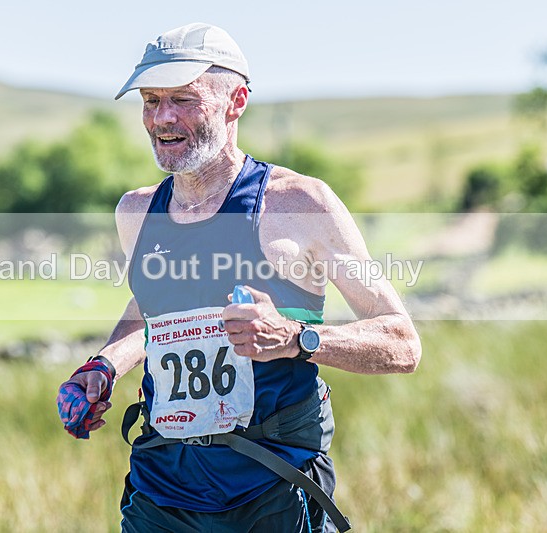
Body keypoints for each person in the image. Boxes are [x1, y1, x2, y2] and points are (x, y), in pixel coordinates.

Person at [57, 22, 422, 533]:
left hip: (270, 485)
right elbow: (154, 312)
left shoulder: (298, 204)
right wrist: (104, 366)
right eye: (151, 100)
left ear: (236, 102)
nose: (162, 117)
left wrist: (296, 338)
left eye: (183, 99)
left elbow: (402, 342)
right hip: (162, 486)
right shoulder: (136, 213)